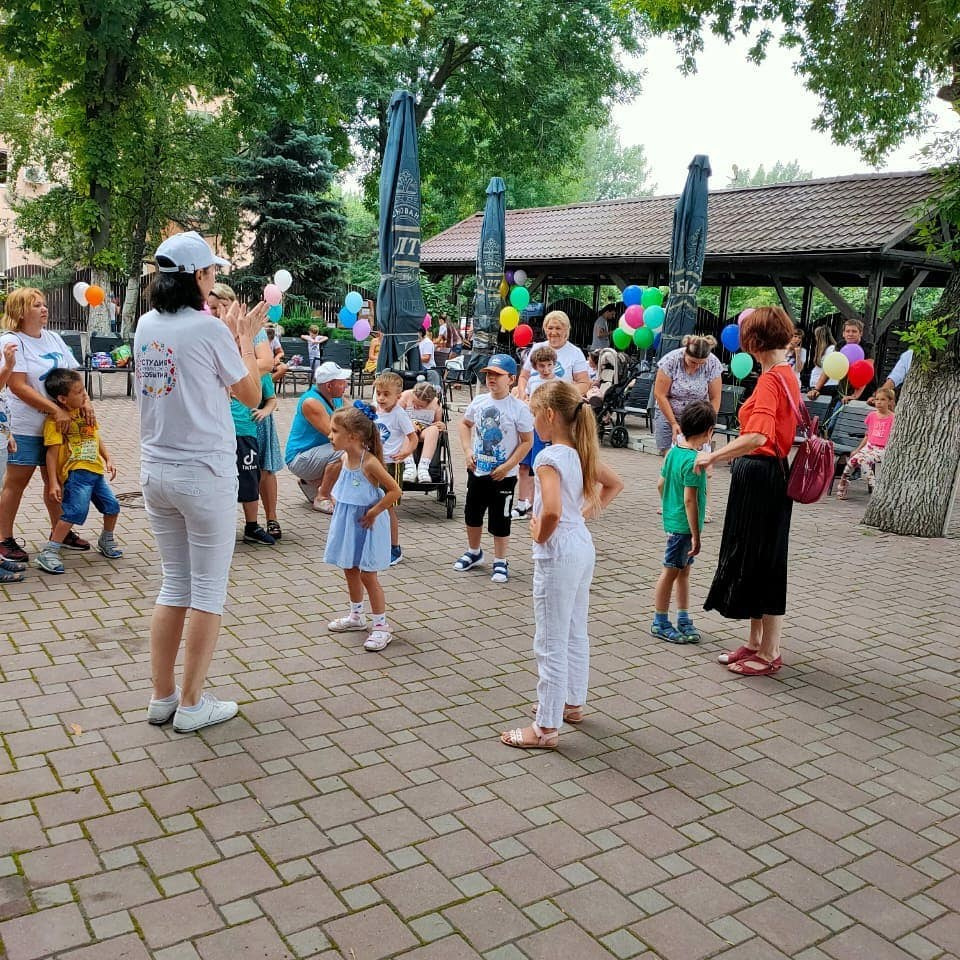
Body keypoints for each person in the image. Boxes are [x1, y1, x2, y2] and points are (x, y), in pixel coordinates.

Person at [135, 230, 266, 734]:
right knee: (207, 590)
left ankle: (162, 696)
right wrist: (245, 337)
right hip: (203, 472)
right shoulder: (208, 329)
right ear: (196, 277)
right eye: (210, 273)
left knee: (174, 583)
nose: (213, 283)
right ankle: (192, 704)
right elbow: (251, 395)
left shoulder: (146, 325)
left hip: (157, 471)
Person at [500, 380, 623, 750]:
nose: (534, 419)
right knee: (573, 628)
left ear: (549, 415)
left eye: (535, 413)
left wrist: (540, 532)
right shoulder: (580, 452)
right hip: (581, 546)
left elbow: (550, 509)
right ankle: (570, 702)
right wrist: (580, 516)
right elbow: (614, 484)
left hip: (559, 552)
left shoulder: (548, 457)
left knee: (550, 639)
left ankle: (545, 727)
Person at [694, 306, 799, 678]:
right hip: (767, 474)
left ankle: (770, 651)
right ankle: (755, 642)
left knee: (764, 559)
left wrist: (713, 457)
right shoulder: (784, 373)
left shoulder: (772, 380)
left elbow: (758, 436)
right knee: (755, 557)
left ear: (753, 341)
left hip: (761, 473)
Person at [0, 287, 90, 563]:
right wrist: (54, 410)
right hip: (26, 425)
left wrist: (85, 405)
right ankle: (4, 538)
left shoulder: (53, 338)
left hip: (59, 427)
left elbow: (72, 375)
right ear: (20, 311)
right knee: (17, 483)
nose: (44, 309)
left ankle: (60, 532)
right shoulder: (12, 341)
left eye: (44, 304)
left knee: (56, 479)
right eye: (36, 305)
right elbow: (17, 386)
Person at [323, 402, 402, 651]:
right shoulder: (345, 457)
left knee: (368, 574)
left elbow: (394, 491)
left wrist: (375, 511)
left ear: (353, 436)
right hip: (349, 522)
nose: (330, 435)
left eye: (335, 431)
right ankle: (356, 616)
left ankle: (381, 626)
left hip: (367, 525)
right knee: (349, 568)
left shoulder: (370, 463)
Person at [454, 354, 533, 584]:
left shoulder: (519, 409)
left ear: (511, 378)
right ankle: (474, 551)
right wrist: (468, 451)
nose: (491, 379)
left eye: (497, 375)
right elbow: (464, 424)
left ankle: (501, 560)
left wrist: (509, 465)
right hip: (478, 471)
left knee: (501, 518)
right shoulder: (479, 402)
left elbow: (527, 441)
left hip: (504, 476)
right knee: (472, 513)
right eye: (489, 374)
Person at [35, 369, 122, 574]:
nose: (85, 395)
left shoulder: (86, 412)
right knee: (75, 512)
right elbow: (51, 453)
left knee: (112, 506)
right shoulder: (55, 421)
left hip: (95, 472)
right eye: (79, 392)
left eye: (84, 390)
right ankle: (50, 551)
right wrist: (54, 482)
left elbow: (96, 436)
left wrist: (108, 457)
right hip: (76, 473)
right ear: (62, 399)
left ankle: (106, 540)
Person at [651, 401, 716, 644]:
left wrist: (668, 506)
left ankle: (683, 617)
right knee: (671, 572)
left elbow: (661, 484)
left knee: (683, 572)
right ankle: (660, 620)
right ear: (709, 431)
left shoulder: (673, 453)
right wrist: (696, 534)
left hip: (675, 522)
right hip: (684, 528)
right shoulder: (694, 462)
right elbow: (691, 500)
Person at [513, 310, 590, 518]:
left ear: (566, 330)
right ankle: (526, 502)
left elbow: (584, 383)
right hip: (535, 415)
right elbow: (524, 377)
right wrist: (522, 395)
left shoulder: (575, 353)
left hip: (561, 415)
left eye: (558, 328)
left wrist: (563, 394)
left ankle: (558, 499)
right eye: (550, 327)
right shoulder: (537, 348)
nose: (554, 332)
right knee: (529, 459)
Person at [284, 361, 352, 513]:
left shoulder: (336, 397)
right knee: (345, 451)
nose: (346, 385)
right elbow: (332, 435)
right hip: (299, 458)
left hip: (318, 452)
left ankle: (311, 483)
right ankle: (322, 496)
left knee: (352, 448)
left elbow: (355, 414)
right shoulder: (311, 402)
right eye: (342, 383)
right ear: (329, 386)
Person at [370, 372, 416, 566]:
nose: (381, 398)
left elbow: (413, 437)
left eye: (386, 394)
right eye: (378, 393)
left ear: (398, 396)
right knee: (373, 502)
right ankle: (377, 543)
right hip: (374, 463)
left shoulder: (399, 414)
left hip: (390, 464)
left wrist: (405, 452)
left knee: (387, 507)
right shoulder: (375, 411)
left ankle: (394, 547)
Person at [652, 334, 722, 455]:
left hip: (697, 417)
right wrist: (673, 423)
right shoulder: (671, 361)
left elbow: (715, 397)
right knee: (670, 454)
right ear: (685, 353)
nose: (697, 366)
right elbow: (660, 394)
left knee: (695, 453)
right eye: (693, 362)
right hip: (669, 412)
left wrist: (709, 423)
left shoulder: (713, 363)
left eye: (701, 363)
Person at [230, 374, 275, 546]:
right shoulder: (221, 364)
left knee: (249, 478)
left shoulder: (261, 372)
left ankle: (252, 526)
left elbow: (271, 399)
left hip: (246, 431)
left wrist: (265, 411)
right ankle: (219, 525)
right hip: (220, 431)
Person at [836, 386, 895, 498]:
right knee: (851, 462)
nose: (879, 402)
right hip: (869, 447)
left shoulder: (893, 418)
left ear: (890, 402)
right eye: (877, 399)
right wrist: (858, 449)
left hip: (882, 449)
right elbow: (868, 435)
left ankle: (875, 488)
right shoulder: (872, 416)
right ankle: (843, 483)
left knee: (864, 461)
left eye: (883, 400)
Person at [807, 318, 869, 402]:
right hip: (843, 392)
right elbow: (830, 368)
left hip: (864, 393)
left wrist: (855, 396)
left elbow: (866, 372)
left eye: (854, 331)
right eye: (847, 331)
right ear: (843, 333)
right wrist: (816, 389)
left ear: (860, 333)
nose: (850, 334)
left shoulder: (868, 348)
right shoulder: (840, 345)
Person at [399, 381, 444, 484]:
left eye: (420, 406)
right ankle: (409, 466)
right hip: (407, 432)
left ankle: (423, 467)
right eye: (414, 402)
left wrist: (441, 425)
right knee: (406, 428)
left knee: (434, 430)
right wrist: (408, 423)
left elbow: (437, 422)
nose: (415, 406)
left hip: (425, 431)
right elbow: (396, 414)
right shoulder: (405, 396)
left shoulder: (436, 404)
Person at [806, 323, 837, 393]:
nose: (815, 339)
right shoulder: (823, 350)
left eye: (816, 336)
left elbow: (829, 369)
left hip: (826, 385)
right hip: (818, 385)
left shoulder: (831, 349)